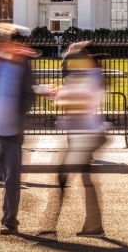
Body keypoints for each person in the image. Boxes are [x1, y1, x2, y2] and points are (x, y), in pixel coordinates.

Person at [38, 44, 107, 239]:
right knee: (84, 180)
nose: (70, 65)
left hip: (85, 136)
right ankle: (94, 226)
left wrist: (61, 96)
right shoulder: (90, 74)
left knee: (62, 178)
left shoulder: (92, 76)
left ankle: (49, 227)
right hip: (83, 135)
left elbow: (82, 100)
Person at [0, 26, 36, 236]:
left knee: (12, 177)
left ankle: (10, 220)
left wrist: (17, 114)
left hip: (13, 128)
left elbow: (29, 95)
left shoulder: (24, 65)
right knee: (6, 175)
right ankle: (9, 216)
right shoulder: (0, 62)